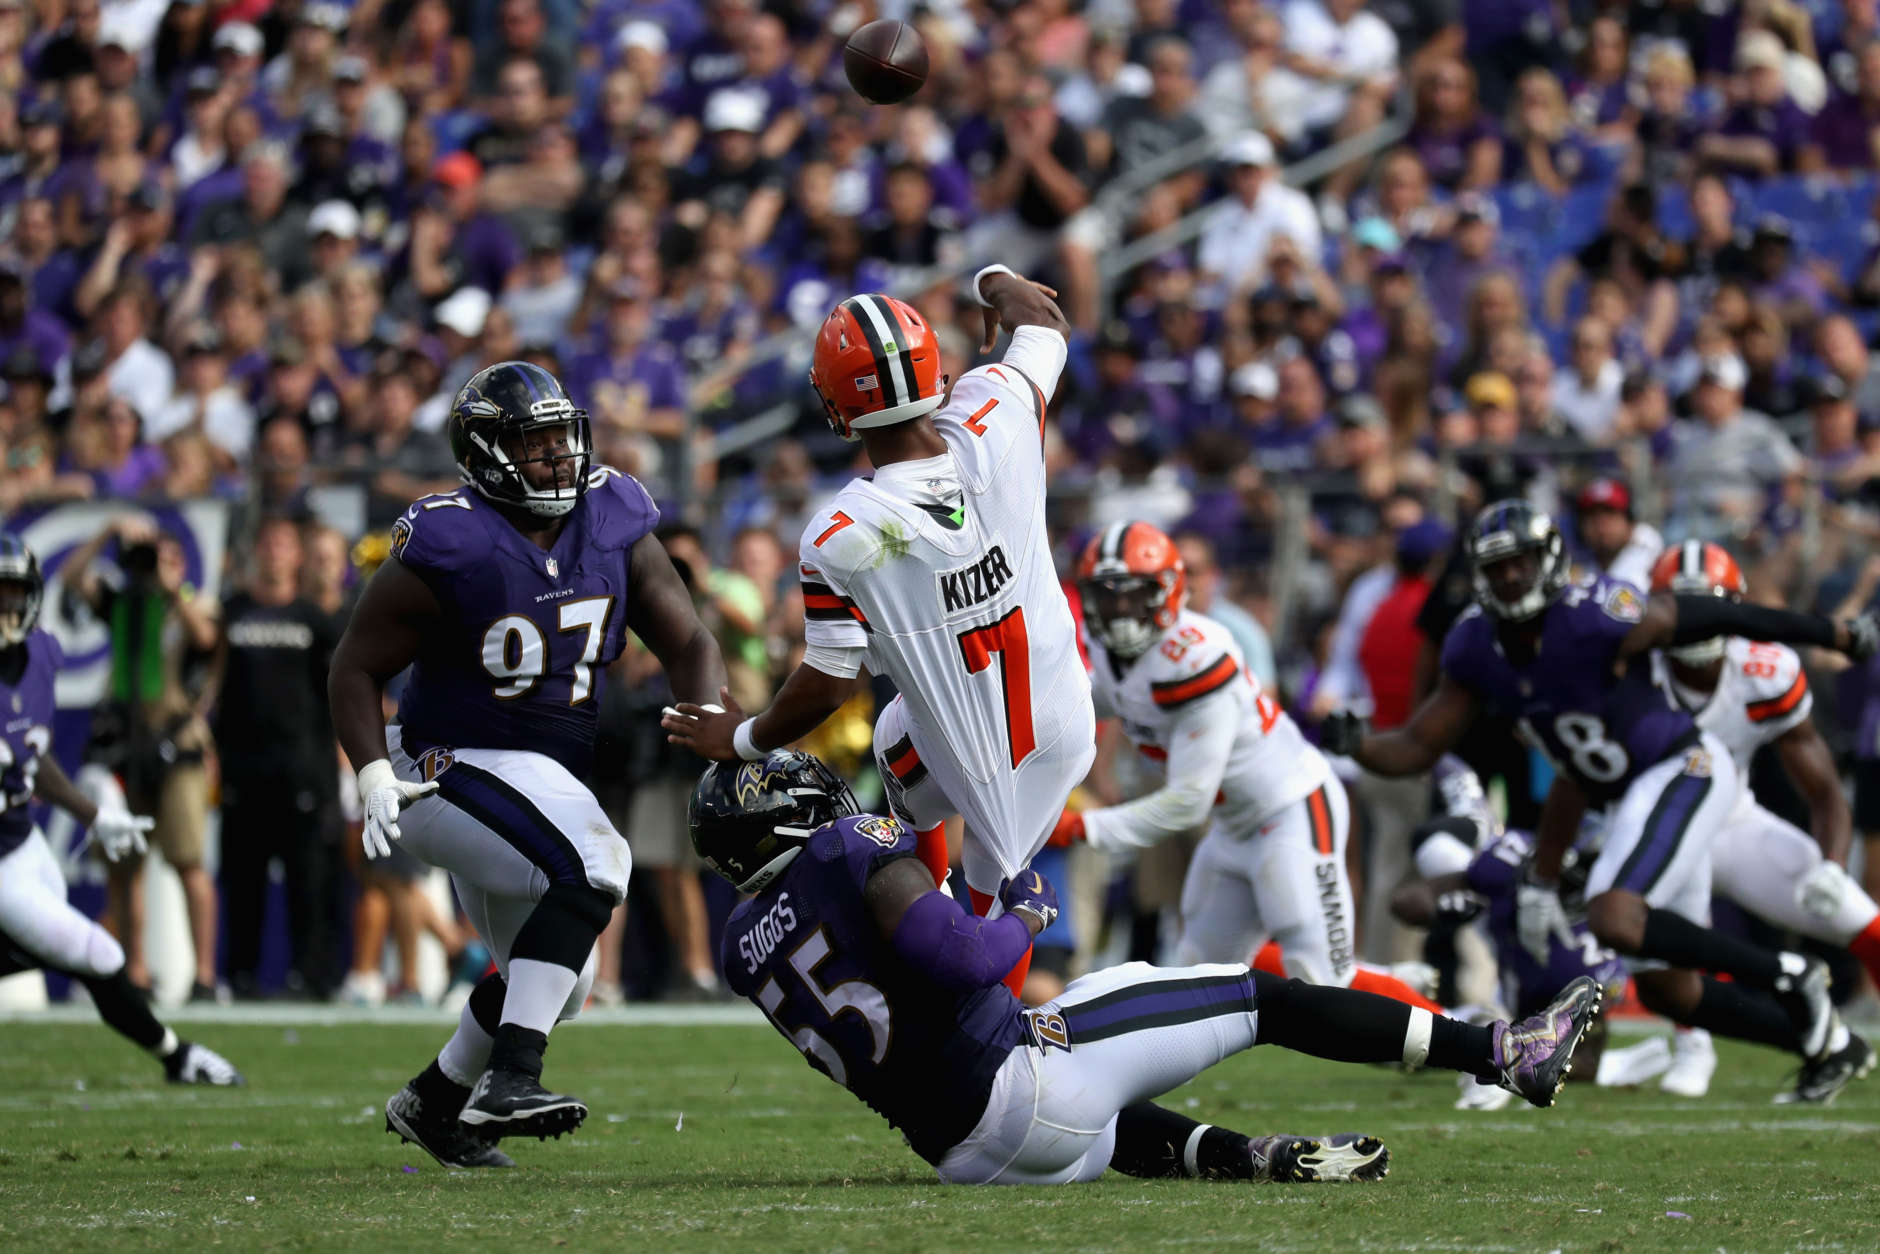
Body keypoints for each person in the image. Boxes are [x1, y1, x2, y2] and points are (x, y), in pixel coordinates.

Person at [691, 750, 1603, 1185]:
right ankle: (1500, 1051)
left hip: (970, 1157)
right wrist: (1024, 913)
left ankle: (1250, 1161)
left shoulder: (742, 943)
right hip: (1026, 1092)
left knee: (1101, 1075)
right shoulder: (845, 848)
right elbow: (962, 959)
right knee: (1262, 997)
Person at [1323, 500, 1880, 1103]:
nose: (1511, 576)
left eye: (1522, 562)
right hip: (1628, 797)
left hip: (1682, 769)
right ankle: (1822, 1040)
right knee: (1668, 989)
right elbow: (1424, 745)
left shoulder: (1596, 616)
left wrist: (1832, 632)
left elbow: (1705, 611)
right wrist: (1362, 745)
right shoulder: (1475, 646)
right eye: (1497, 566)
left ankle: (1789, 974)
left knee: (1615, 915)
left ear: (1551, 560)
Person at [327, 361, 726, 1166]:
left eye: (560, 440)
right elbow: (353, 668)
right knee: (599, 860)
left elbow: (688, 638)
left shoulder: (612, 515)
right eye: (533, 444)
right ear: (484, 453)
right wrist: (371, 770)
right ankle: (510, 1080)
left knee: (561, 983)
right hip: (441, 764)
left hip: (538, 780)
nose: (556, 460)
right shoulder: (449, 538)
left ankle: (434, 1105)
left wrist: (711, 721)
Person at [663, 267, 1095, 1000]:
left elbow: (830, 679)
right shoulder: (1000, 407)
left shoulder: (841, 533)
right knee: (898, 737)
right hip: (1063, 710)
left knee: (980, 960)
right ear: (938, 367)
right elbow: (1045, 322)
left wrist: (743, 739)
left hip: (990, 761)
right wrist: (991, 281)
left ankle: (998, 1047)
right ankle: (926, 891)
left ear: (837, 413)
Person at [1050, 521, 1434, 1010]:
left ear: (1167, 591)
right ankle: (1396, 983)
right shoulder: (1108, 651)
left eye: (1134, 594)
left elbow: (1187, 802)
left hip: (1290, 808)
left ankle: (1472, 1037)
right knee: (1200, 972)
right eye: (1107, 596)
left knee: (1322, 982)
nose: (1120, 609)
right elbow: (1103, 700)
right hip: (1234, 824)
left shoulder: (1196, 655)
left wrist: (1083, 827)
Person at [1639, 542, 1880, 1097]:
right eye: (1682, 605)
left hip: (1734, 822)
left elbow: (1822, 790)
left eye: (1710, 606)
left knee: (1856, 915)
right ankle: (1693, 1044)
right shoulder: (1632, 668)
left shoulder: (1761, 669)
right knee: (1656, 972)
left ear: (1735, 608)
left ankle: (1826, 1038)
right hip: (1653, 831)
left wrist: (1833, 864)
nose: (1697, 622)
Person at [0, 537, 241, 1086]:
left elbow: (36, 759)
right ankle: (178, 1057)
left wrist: (92, 816)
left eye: (12, 594)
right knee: (97, 953)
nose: (5, 609)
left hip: (21, 844)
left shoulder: (40, 654)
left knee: (45, 937)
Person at [1390, 756, 1625, 1111]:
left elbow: (1404, 903)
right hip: (1501, 884)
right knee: (1438, 852)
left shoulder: (1560, 988)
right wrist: (1439, 907)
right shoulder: (1602, 966)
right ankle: (1474, 814)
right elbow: (1407, 901)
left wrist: (1444, 911)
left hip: (1499, 923)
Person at [62, 514, 220, 1001]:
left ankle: (205, 977)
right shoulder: (124, 603)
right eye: (154, 559)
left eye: (170, 559)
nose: (158, 568)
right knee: (124, 862)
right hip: (126, 745)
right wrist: (109, 530)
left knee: (188, 860)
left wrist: (172, 589)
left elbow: (205, 640)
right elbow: (71, 581)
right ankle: (135, 972)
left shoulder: (195, 605)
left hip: (177, 746)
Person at [1573, 478, 1661, 591]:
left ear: (1630, 523)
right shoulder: (1581, 567)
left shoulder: (1654, 563)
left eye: (1610, 514)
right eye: (1592, 516)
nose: (1601, 526)